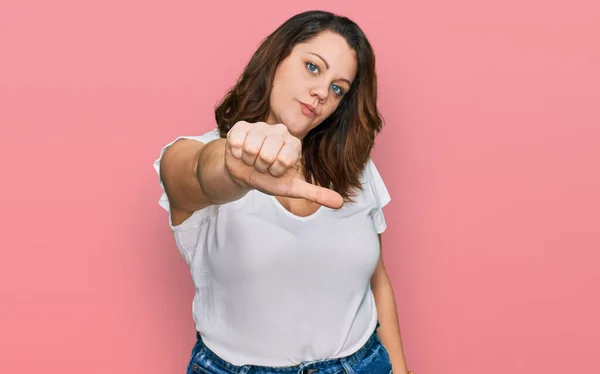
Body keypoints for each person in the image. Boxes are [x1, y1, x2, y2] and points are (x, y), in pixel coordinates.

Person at [154, 10, 413, 374]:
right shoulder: (205, 153)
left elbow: (377, 280)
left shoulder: (355, 169)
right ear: (277, 58)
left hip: (363, 363)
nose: (322, 92)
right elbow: (193, 171)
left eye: (338, 88)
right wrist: (235, 167)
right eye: (313, 67)